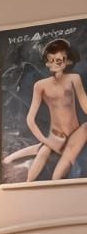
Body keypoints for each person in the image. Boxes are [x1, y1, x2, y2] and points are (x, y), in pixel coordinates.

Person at [24, 38, 87, 183]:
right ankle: (26, 185)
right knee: (42, 154)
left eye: (60, 59)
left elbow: (84, 104)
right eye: (52, 60)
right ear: (47, 62)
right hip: (55, 135)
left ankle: (56, 183)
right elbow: (30, 119)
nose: (56, 63)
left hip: (75, 133)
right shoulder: (40, 85)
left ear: (68, 61)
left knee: (58, 172)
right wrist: (45, 140)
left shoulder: (74, 78)